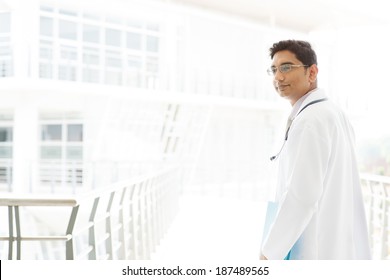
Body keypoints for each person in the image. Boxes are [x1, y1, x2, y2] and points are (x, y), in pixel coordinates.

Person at [260, 40, 371, 260]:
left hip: (314, 247)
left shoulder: (311, 120)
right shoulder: (332, 113)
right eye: (274, 69)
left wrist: (268, 253)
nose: (278, 77)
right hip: (335, 243)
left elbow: (301, 195)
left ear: (312, 72)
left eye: (286, 67)